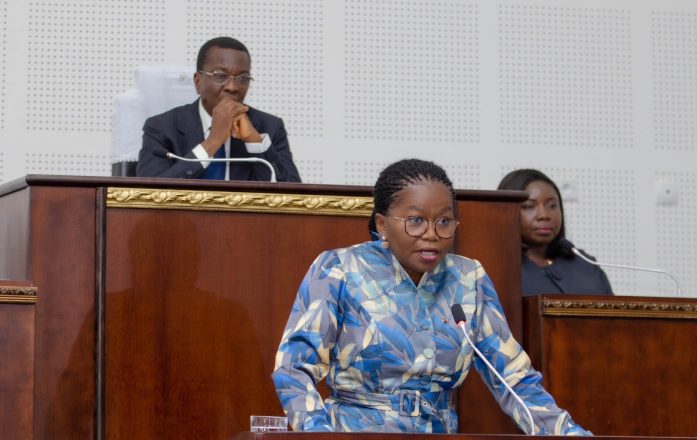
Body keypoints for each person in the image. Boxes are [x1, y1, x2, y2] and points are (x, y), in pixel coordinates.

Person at [272, 159, 590, 434]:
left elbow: (513, 380)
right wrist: (319, 438)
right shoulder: (340, 269)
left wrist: (571, 436)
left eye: (444, 221)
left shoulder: (468, 278)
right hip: (354, 436)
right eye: (416, 221)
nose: (431, 234)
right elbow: (293, 369)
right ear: (382, 224)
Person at [136, 36, 301, 182]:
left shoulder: (269, 127)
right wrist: (213, 142)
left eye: (243, 78)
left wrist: (254, 141)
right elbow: (149, 195)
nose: (233, 87)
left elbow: (295, 199)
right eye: (220, 76)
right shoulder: (161, 127)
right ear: (198, 82)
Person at [498, 169, 613, 296]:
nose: (544, 215)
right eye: (529, 206)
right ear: (506, 211)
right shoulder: (497, 268)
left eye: (552, 206)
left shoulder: (585, 264)